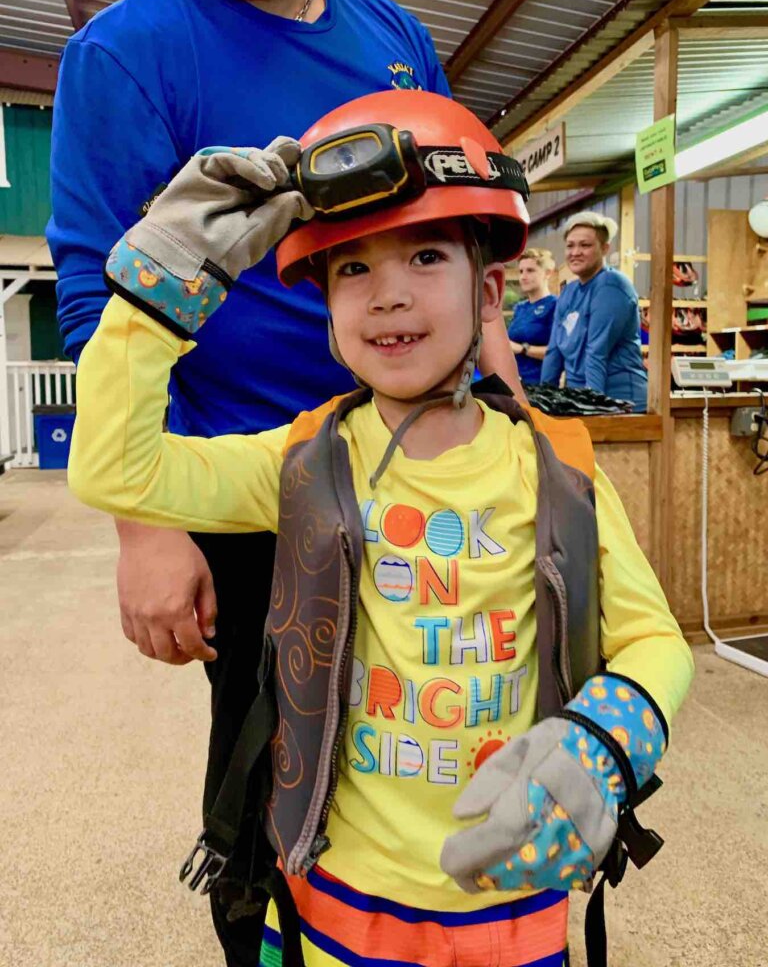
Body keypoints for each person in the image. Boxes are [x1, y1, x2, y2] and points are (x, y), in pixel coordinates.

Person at [68, 90, 693, 967]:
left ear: (488, 289)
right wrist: (154, 293)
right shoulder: (301, 461)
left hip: (513, 906)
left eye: (426, 254)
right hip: (334, 902)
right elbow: (115, 470)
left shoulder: (557, 466)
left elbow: (655, 642)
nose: (388, 295)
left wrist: (601, 745)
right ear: (322, 305)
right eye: (352, 268)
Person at [46, 0, 520, 961]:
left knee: (440, 721)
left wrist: (514, 411)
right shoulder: (124, 54)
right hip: (263, 488)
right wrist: (149, 523)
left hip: (429, 454)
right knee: (276, 772)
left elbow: (458, 222)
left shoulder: (393, 36)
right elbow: (94, 291)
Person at [541, 212, 648, 411]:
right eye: (570, 245)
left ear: (605, 248)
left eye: (585, 245)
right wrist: (543, 402)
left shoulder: (612, 286)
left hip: (619, 404)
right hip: (580, 401)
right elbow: (554, 352)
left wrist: (594, 408)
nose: (575, 252)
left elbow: (596, 353)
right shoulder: (569, 292)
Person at [507, 248, 557, 385]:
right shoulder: (520, 308)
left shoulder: (555, 305)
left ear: (547, 273)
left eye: (530, 270)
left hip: (540, 384)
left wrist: (523, 349)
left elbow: (557, 352)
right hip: (514, 383)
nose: (523, 276)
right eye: (521, 271)